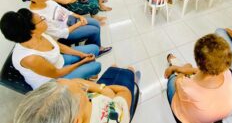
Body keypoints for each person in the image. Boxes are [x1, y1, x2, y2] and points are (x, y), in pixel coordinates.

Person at [0, 8, 101, 89]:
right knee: (96, 66)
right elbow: (56, 73)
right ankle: (84, 80)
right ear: (31, 30)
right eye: (41, 19)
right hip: (52, 82)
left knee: (94, 49)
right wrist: (82, 62)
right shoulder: (30, 58)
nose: (45, 19)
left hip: (58, 61)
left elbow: (59, 46)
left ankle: (85, 75)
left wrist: (81, 55)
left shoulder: (39, 34)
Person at [13, 64, 141, 123]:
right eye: (81, 89)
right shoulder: (113, 115)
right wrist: (103, 89)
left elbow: (75, 83)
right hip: (115, 97)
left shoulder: (74, 111)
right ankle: (131, 76)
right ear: (76, 120)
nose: (80, 85)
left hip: (102, 97)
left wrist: (88, 88)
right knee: (127, 73)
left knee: (112, 68)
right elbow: (124, 91)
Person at [18, 0, 113, 57]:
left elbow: (66, 11)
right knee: (94, 30)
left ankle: (92, 45)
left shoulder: (48, 1)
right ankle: (97, 50)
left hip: (71, 21)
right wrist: (78, 24)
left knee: (95, 23)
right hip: (65, 33)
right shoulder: (37, 16)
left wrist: (79, 17)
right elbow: (59, 34)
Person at [164, 34, 232, 123]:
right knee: (186, 68)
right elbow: (201, 71)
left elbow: (179, 80)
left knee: (173, 76)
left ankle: (173, 62)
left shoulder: (188, 87)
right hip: (215, 115)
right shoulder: (226, 72)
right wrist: (187, 69)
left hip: (187, 118)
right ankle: (177, 63)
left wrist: (178, 69)